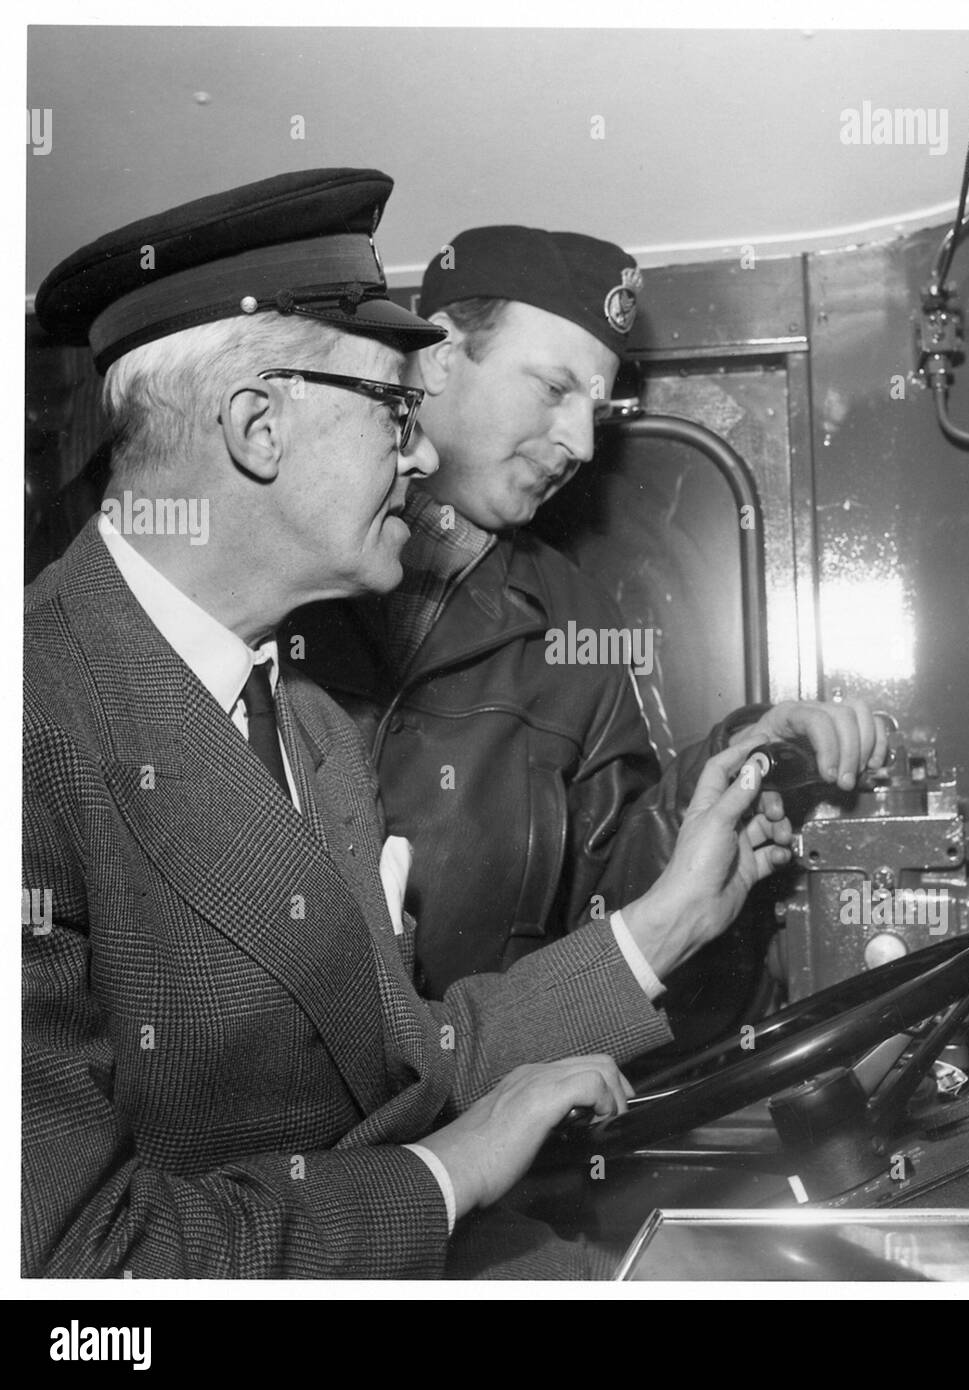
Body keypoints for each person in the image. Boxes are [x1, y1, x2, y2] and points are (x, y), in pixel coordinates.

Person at [23, 168, 884, 1279]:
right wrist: (451, 1170)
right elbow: (78, 1271)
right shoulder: (40, 718)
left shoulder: (309, 731)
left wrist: (668, 917)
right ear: (257, 426)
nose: (418, 448)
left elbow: (406, 1060)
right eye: (391, 407)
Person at [285, 227, 814, 1004]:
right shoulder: (282, 531)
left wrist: (730, 769)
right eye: (553, 388)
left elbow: (602, 892)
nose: (582, 444)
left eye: (595, 408)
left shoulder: (576, 624)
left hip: (472, 1092)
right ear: (438, 357)